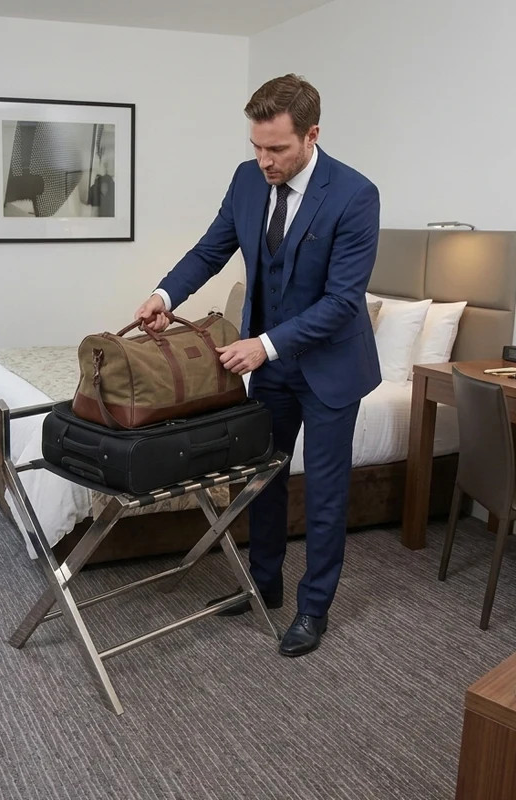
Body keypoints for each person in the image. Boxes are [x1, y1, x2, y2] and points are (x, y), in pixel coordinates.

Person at [134, 73, 381, 657]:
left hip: (330, 370)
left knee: (323, 493)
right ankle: (264, 584)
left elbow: (343, 302)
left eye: (277, 148)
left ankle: (314, 609)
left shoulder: (355, 195)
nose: (265, 160)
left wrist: (264, 345)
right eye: (256, 146)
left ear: (312, 135)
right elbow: (210, 250)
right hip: (271, 369)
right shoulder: (247, 180)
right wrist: (165, 296)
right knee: (262, 479)